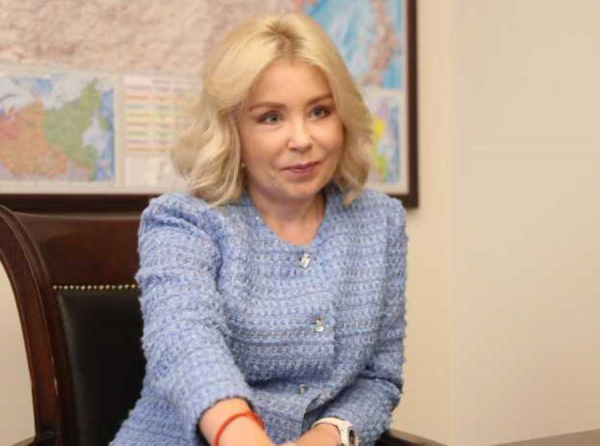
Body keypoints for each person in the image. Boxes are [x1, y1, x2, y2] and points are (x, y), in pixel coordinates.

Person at [111, 12, 407, 446]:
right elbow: (185, 342)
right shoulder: (183, 220)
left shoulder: (380, 222)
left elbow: (379, 378)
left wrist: (329, 436)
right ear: (233, 130)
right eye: (271, 117)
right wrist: (239, 432)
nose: (301, 139)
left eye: (320, 111)